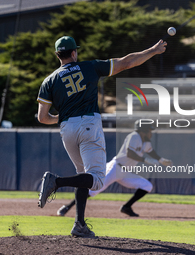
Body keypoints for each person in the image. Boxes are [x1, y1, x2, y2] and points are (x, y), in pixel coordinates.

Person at [37, 36, 167, 238]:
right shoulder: (90, 67)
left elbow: (43, 118)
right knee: (97, 180)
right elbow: (126, 62)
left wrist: (63, 118)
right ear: (74, 53)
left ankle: (79, 224)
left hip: (66, 129)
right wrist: (152, 50)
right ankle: (57, 181)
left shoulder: (49, 81)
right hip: (89, 125)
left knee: (83, 176)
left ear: (57, 55)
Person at [57, 120, 172, 217]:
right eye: (149, 130)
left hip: (125, 172)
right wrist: (145, 160)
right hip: (115, 168)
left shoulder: (146, 142)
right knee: (94, 190)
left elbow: (151, 152)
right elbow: (129, 153)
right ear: (143, 130)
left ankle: (126, 207)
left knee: (147, 186)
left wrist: (161, 160)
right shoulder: (134, 136)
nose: (151, 132)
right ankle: (67, 207)